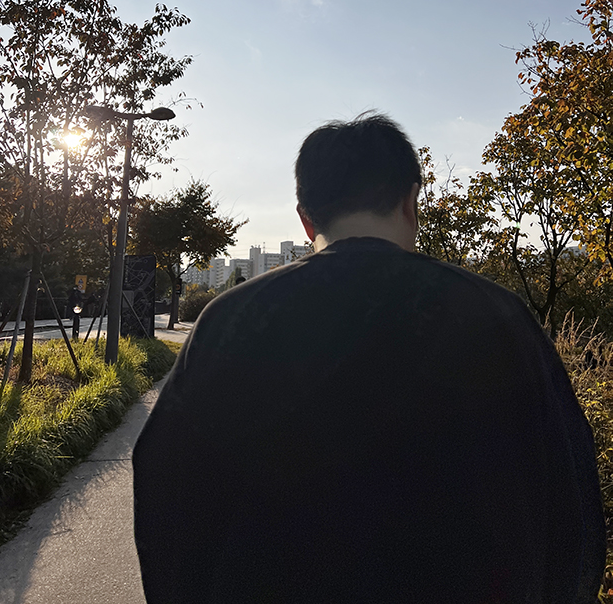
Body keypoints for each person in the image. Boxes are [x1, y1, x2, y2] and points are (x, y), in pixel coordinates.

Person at [133, 113, 605, 603]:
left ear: (306, 218)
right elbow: (570, 497)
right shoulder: (497, 315)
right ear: (410, 202)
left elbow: (167, 489)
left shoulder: (231, 320)